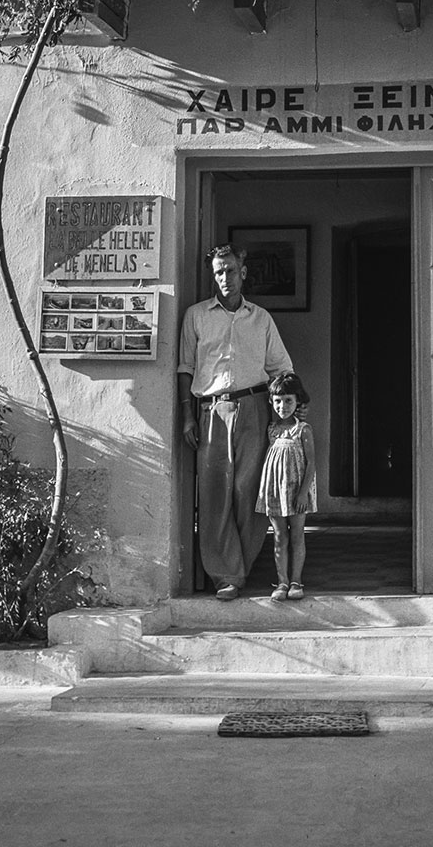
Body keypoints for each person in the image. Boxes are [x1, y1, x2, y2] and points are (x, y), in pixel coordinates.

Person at [178, 243, 294, 600]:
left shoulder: (260, 318)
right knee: (214, 495)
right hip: (211, 411)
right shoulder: (196, 316)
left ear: (242, 273)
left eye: (229, 270)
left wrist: (287, 414)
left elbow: (282, 368)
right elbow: (185, 368)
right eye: (218, 272)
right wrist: (187, 416)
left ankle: (242, 564)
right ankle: (225, 575)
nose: (224, 278)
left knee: (250, 492)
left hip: (254, 406)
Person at [255, 371, 316, 601]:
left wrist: (303, 493)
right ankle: (281, 581)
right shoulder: (271, 429)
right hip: (275, 491)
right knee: (279, 536)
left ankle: (296, 580)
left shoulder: (303, 430)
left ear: (297, 401)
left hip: (296, 491)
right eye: (278, 401)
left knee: (297, 535)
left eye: (288, 401)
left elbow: (311, 464)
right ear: (271, 402)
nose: (283, 406)